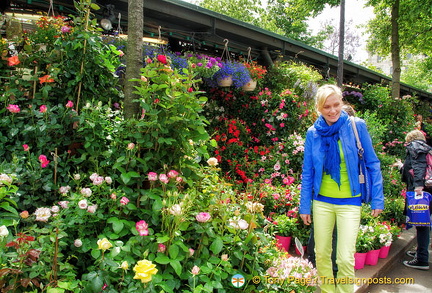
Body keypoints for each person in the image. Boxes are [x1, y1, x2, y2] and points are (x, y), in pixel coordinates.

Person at [299, 84, 384, 293]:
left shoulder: (356, 126)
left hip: (350, 202)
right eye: (327, 107)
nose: (333, 110)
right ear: (319, 108)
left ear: (342, 103)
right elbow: (308, 171)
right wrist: (304, 206)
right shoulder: (313, 133)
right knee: (321, 254)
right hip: (322, 202)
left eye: (336, 104)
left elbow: (373, 163)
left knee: (345, 258)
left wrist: (378, 199)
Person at [400, 129, 431, 270]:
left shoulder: (414, 146)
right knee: (424, 223)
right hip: (429, 189)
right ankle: (420, 251)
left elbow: (418, 166)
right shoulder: (427, 148)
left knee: (422, 223)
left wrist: (418, 186)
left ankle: (422, 259)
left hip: (422, 191)